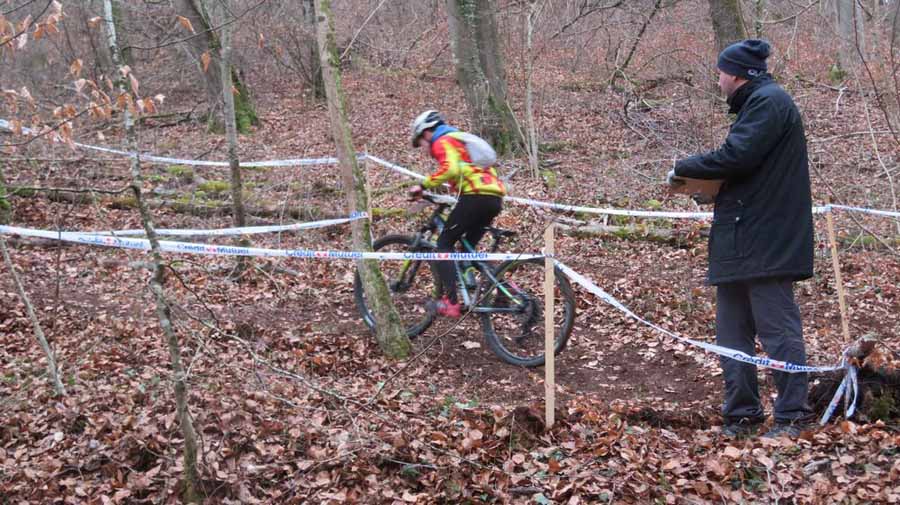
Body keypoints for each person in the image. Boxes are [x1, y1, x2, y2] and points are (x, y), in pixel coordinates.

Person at [667, 39, 815, 438]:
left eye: (720, 73)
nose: (717, 80)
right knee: (731, 334)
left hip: (767, 242)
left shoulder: (769, 102)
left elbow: (737, 156)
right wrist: (710, 188)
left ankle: (793, 416)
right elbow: (746, 169)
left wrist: (683, 168)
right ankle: (742, 415)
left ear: (734, 74)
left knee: (778, 331)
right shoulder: (758, 104)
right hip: (740, 237)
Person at [407, 110, 507, 318]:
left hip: (475, 196)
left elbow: (450, 169)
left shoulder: (442, 140)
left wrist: (422, 186)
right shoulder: (460, 142)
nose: (423, 148)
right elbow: (466, 172)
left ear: (426, 132)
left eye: (420, 142)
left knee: (443, 244)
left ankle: (451, 302)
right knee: (467, 249)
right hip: (494, 197)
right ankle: (506, 289)